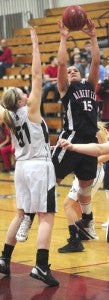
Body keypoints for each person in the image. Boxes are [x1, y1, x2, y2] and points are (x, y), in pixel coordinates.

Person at [16, 17, 100, 253]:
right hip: (69, 141)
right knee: (48, 185)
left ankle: (84, 226)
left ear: (81, 75)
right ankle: (28, 219)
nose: (71, 71)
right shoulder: (66, 89)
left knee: (84, 190)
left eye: (76, 70)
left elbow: (95, 61)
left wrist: (93, 37)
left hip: (90, 144)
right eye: (69, 71)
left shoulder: (90, 86)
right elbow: (62, 64)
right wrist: (63, 38)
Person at [0, 27, 59, 287]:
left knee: (21, 215)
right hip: (38, 166)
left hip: (21, 168)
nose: (27, 93)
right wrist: (35, 44)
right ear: (22, 100)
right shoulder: (30, 110)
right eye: (22, 92)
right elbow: (37, 74)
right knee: (46, 216)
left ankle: (3, 259)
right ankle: (41, 266)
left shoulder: (9, 117)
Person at [58, 122, 109, 253]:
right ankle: (84, 232)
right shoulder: (76, 130)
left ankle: (77, 238)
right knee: (75, 205)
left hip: (95, 171)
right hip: (81, 172)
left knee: (68, 204)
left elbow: (106, 153)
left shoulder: (97, 131)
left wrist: (93, 160)